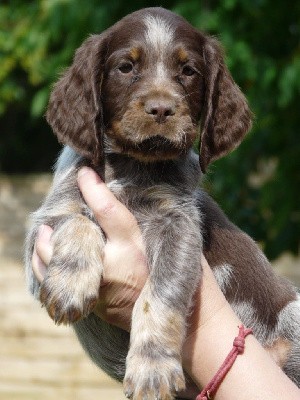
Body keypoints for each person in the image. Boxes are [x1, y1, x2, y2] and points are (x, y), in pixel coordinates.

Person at [32, 167, 300, 400]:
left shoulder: (176, 183)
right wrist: (77, 233)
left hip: (278, 338)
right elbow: (39, 265)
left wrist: (182, 333)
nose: (160, 107)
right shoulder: (78, 173)